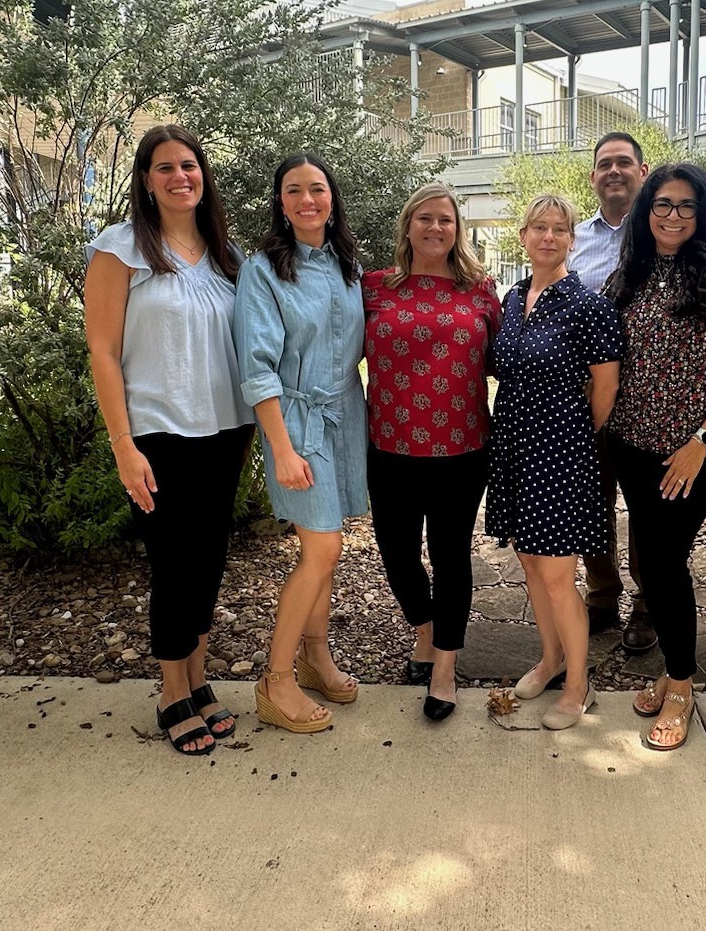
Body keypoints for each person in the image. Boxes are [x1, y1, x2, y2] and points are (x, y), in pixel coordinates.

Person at [84, 124, 252, 757]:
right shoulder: (122, 248)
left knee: (207, 562)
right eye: (165, 168)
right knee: (173, 565)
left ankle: (198, 679)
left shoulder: (225, 255)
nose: (181, 176)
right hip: (156, 433)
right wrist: (122, 443)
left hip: (224, 429)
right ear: (146, 182)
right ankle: (169, 693)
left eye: (189, 165)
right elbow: (101, 349)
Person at [604, 163, 706, 750]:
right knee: (654, 556)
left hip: (697, 450)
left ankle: (680, 687)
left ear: (705, 215)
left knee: (665, 560)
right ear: (647, 211)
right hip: (632, 443)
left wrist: (702, 442)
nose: (672, 216)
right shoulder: (631, 275)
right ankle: (674, 670)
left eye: (686, 206)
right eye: (662, 204)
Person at [234, 153, 368, 735]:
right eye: (295, 190)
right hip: (296, 421)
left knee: (327, 550)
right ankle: (276, 679)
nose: (308, 199)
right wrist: (281, 448)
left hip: (346, 416)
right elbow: (257, 367)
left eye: (317, 189)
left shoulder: (348, 265)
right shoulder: (263, 269)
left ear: (331, 198)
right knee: (323, 550)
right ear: (281, 203)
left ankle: (316, 658)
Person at [363, 183, 502, 722]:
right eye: (425, 218)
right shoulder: (375, 287)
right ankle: (423, 627)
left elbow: (507, 361)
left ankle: (443, 666)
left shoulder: (481, 291)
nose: (435, 228)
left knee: (450, 557)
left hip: (462, 448)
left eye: (445, 220)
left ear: (457, 229)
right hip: (390, 445)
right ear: (408, 226)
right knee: (396, 553)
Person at [487, 194, 623, 730]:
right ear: (523, 236)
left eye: (559, 229)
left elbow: (606, 385)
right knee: (529, 563)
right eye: (538, 227)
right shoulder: (513, 297)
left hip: (561, 453)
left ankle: (578, 684)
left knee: (559, 574)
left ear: (572, 240)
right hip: (514, 449)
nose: (548, 236)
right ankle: (549, 659)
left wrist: (572, 434)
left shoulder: (588, 305)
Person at [570, 132, 654, 653]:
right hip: (587, 395)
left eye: (625, 162)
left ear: (642, 172)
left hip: (651, 397)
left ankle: (648, 603)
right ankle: (602, 594)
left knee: (648, 504)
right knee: (590, 501)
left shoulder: (664, 231)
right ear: (594, 177)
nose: (614, 171)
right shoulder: (574, 240)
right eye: (605, 164)